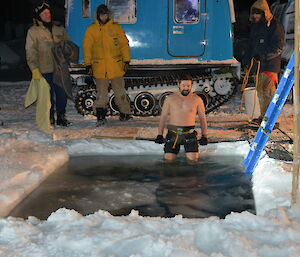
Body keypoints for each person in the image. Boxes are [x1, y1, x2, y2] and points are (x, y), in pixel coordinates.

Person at [83, 4, 132, 127]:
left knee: (120, 92)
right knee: (101, 94)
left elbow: (124, 45)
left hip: (116, 67)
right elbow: (87, 48)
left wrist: (126, 61)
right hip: (100, 68)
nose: (103, 16)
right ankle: (100, 115)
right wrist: (88, 64)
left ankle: (125, 113)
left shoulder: (116, 28)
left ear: (108, 14)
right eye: (101, 14)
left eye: (105, 14)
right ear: (98, 15)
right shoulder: (91, 29)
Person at [25, 0, 71, 127]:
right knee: (47, 96)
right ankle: (49, 116)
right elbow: (30, 52)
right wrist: (34, 68)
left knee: (62, 94)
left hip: (59, 69)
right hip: (44, 69)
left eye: (48, 12)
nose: (47, 15)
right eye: (44, 13)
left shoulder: (59, 29)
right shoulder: (33, 32)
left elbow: (68, 46)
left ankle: (61, 116)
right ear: (38, 16)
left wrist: (66, 54)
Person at [242, 0, 285, 123]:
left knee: (269, 92)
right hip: (257, 65)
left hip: (269, 65)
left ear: (264, 13)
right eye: (253, 13)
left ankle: (271, 120)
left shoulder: (275, 25)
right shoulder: (256, 26)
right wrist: (246, 61)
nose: (255, 16)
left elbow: (278, 46)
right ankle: (264, 117)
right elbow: (251, 45)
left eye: (258, 13)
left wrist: (263, 56)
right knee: (261, 92)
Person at [154, 77, 208, 163]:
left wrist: (204, 135)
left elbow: (202, 118)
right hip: (173, 134)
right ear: (178, 84)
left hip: (189, 134)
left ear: (191, 86)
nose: (186, 88)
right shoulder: (170, 99)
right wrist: (159, 134)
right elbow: (163, 117)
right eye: (183, 85)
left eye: (188, 86)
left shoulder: (197, 99)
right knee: (168, 161)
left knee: (193, 162)